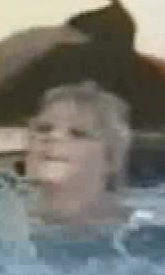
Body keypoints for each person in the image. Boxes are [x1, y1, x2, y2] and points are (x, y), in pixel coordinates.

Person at [24, 80, 133, 227]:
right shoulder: (3, 217)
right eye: (44, 129)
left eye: (77, 133)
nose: (53, 136)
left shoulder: (139, 227)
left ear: (110, 160)